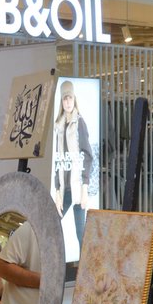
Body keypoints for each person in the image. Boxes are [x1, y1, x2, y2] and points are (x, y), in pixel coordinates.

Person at [51, 80, 94, 246]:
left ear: (74, 98)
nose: (67, 102)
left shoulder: (79, 123)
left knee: (81, 234)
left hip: (77, 186)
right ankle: (57, 264)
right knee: (53, 224)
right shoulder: (59, 126)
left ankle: (85, 270)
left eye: (69, 98)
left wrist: (84, 188)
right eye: (64, 99)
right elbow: (58, 159)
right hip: (64, 187)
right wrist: (57, 191)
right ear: (61, 102)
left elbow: (87, 155)